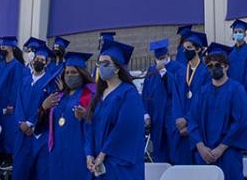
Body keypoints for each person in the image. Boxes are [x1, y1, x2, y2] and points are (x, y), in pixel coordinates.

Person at [187, 44, 247, 180]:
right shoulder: (202, 92)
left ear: (226, 66)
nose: (213, 68)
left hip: (229, 152)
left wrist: (221, 148)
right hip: (203, 153)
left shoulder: (236, 90)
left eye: (217, 65)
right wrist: (200, 146)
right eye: (209, 66)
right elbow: (192, 121)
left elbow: (240, 122)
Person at [84, 41, 146, 179]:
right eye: (99, 64)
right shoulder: (98, 95)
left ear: (117, 68)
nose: (101, 67)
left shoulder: (128, 93)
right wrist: (89, 154)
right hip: (98, 165)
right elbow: (89, 126)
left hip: (118, 164)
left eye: (106, 63)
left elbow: (124, 128)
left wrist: (103, 154)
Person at [42, 51, 94, 180]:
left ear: (82, 74)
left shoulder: (90, 95)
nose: (69, 75)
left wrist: (87, 115)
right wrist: (43, 107)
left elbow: (98, 123)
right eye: (67, 72)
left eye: (74, 72)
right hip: (57, 151)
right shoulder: (59, 96)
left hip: (78, 151)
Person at [13, 40, 56, 180]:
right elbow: (18, 103)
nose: (38, 61)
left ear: (47, 63)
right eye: (37, 59)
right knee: (20, 169)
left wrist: (31, 123)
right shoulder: (25, 80)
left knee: (37, 171)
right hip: (21, 132)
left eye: (42, 60)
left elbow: (48, 109)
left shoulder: (50, 83)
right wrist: (21, 123)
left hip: (39, 133)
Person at [170, 31, 211, 164]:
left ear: (198, 49)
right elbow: (175, 99)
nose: (185, 51)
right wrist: (179, 120)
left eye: (189, 48)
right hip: (180, 128)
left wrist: (187, 120)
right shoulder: (180, 72)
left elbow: (203, 101)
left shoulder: (206, 73)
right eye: (184, 48)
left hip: (197, 126)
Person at [142, 39, 176, 164]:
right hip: (156, 120)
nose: (160, 60)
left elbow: (175, 91)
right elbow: (145, 94)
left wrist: (164, 73)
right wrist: (145, 113)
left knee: (174, 155)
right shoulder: (151, 71)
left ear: (168, 55)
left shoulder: (177, 68)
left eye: (162, 57)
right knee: (159, 156)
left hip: (170, 119)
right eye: (158, 58)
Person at [0, 36, 26, 161]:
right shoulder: (1, 65)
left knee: (7, 130)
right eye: (2, 44)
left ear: (12, 47)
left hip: (8, 105)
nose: (2, 47)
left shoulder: (16, 66)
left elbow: (16, 86)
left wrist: (11, 104)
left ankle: (8, 157)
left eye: (5, 45)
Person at [228, 19, 247, 102]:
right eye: (236, 32)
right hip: (232, 88)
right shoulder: (229, 52)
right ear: (233, 34)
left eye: (240, 32)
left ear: (245, 34)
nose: (238, 34)